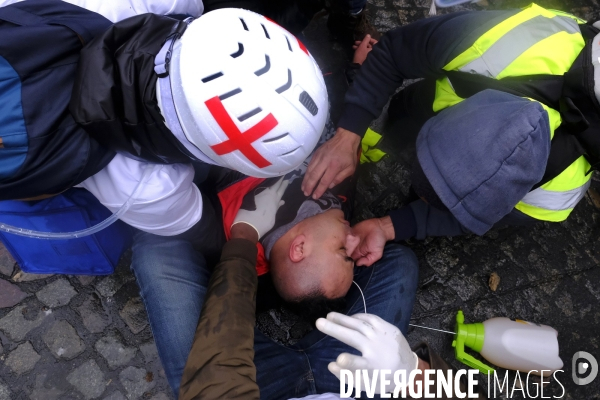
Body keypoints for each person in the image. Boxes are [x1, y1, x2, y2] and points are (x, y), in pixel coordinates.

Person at [301, 4, 600, 265]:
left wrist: (390, 225)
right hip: (432, 98)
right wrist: (348, 134)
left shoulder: (555, 197)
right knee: (405, 115)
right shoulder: (508, 44)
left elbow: (468, 220)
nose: (424, 197)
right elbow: (395, 51)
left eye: (461, 201)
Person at [179, 204, 485, 399]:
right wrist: (415, 375)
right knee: (397, 263)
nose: (351, 241)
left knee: (160, 256)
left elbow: (216, 383)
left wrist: (243, 241)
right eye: (345, 251)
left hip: (258, 388)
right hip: (359, 381)